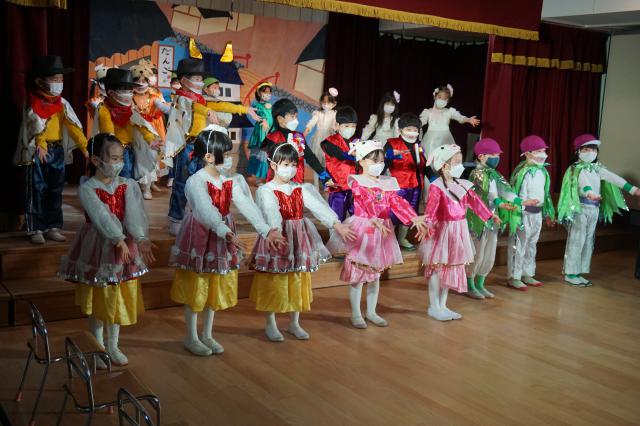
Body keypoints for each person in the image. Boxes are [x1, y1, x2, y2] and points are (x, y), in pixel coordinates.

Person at [169, 125, 285, 355]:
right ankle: (191, 336)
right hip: (201, 233)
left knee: (215, 283)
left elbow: (246, 205)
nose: (230, 158)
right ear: (209, 157)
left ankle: (207, 334)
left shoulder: (229, 180)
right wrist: (226, 232)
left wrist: (266, 230)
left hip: (223, 233)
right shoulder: (196, 181)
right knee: (197, 285)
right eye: (225, 154)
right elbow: (205, 210)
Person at [59, 133, 156, 366]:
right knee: (100, 299)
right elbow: (100, 215)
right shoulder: (88, 188)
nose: (118, 163)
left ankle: (113, 345)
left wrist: (140, 237)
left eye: (120, 158)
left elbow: (134, 213)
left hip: (124, 247)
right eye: (113, 158)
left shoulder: (126, 184)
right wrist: (117, 238)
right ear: (96, 160)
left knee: (117, 296)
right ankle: (97, 347)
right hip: (99, 246)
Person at [247, 142, 354, 341]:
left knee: (297, 278)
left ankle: (294, 323)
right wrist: (276, 230)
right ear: (273, 165)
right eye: (285, 164)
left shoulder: (300, 188)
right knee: (274, 279)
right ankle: (271, 323)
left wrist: (335, 223)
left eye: (293, 165)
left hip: (298, 237)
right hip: (277, 237)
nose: (290, 169)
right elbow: (270, 210)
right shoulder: (266, 190)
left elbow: (318, 206)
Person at [326, 139, 427, 328]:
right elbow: (365, 202)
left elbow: (397, 202)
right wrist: (373, 219)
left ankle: (371, 312)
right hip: (364, 228)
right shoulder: (357, 182)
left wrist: (413, 217)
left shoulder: (386, 182)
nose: (379, 165)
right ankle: (356, 314)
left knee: (375, 273)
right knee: (358, 273)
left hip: (382, 230)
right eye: (374, 160)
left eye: (381, 161)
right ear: (361, 161)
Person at [418, 144, 498, 321]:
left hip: (459, 230)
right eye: (456, 162)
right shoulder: (437, 186)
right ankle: (433, 306)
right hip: (442, 231)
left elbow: (475, 202)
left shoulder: (462, 185)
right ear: (444, 165)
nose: (460, 166)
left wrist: (489, 215)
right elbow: (431, 210)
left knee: (451, 267)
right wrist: (427, 225)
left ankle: (443, 305)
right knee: (438, 268)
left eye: (460, 162)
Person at [14, 55, 88, 244]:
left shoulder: (62, 104)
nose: (59, 83)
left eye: (60, 79)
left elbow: (73, 125)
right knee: (36, 189)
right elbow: (35, 126)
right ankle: (36, 228)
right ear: (40, 82)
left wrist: (84, 146)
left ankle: (52, 226)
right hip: (37, 153)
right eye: (54, 79)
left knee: (55, 190)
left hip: (57, 151)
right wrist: (41, 145)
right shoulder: (33, 103)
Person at [558, 134, 639, 286]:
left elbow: (614, 178)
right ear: (578, 151)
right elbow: (583, 184)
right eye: (587, 149)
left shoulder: (597, 168)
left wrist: (633, 190)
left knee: (588, 241)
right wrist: (590, 193)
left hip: (593, 209)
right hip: (580, 209)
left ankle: (579, 272)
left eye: (594, 149)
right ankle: (570, 273)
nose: (591, 152)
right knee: (577, 240)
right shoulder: (575, 169)